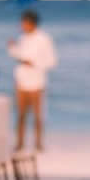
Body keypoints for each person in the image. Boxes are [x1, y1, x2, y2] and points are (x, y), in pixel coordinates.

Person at [8, 10, 57, 152]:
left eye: (24, 23)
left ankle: (38, 143)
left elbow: (52, 61)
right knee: (21, 114)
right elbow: (19, 55)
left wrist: (34, 63)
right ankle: (19, 143)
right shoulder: (23, 38)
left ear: (31, 23)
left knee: (37, 116)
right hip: (21, 81)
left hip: (37, 82)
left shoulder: (44, 39)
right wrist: (12, 48)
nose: (22, 26)